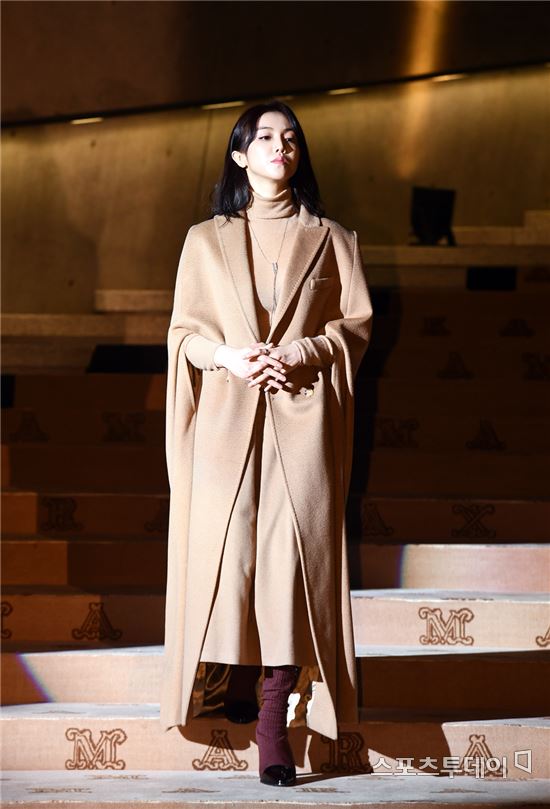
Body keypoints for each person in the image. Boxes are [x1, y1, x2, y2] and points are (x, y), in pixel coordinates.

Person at [161, 100, 373, 787]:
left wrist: (302, 352)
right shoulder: (204, 240)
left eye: (291, 138)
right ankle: (227, 676)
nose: (282, 146)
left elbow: (354, 326)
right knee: (232, 560)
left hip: (302, 423)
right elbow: (184, 334)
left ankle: (273, 718)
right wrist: (228, 355)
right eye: (265, 137)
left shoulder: (333, 238)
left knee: (290, 567)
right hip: (226, 423)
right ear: (239, 154)